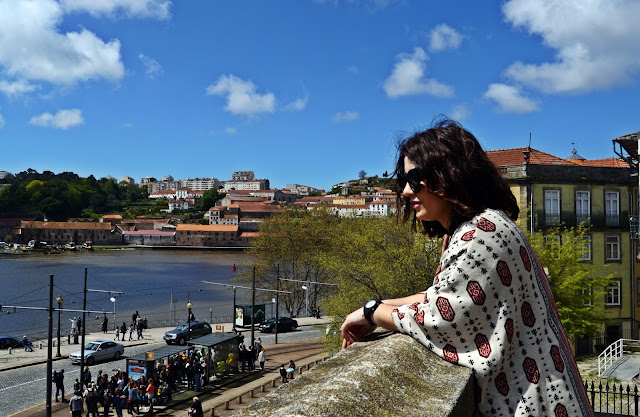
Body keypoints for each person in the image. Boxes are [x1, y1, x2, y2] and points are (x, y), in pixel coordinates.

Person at [339, 119, 593, 417]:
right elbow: (440, 295)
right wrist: (374, 308)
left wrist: (373, 312)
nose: (407, 191)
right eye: (404, 181)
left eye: (415, 178)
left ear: (448, 174)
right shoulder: (480, 226)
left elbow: (443, 315)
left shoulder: (480, 235)